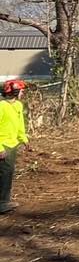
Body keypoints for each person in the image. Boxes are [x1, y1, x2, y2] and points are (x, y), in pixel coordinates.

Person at [0, 79, 28, 213]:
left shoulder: (18, 105)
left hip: (12, 144)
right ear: (16, 91)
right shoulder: (2, 106)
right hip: (3, 145)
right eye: (22, 91)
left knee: (8, 173)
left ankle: (4, 201)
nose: (23, 93)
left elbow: (20, 123)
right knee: (4, 174)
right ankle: (2, 203)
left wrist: (23, 139)